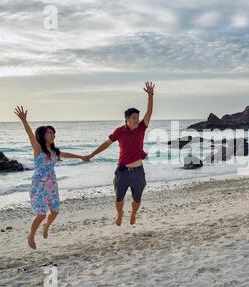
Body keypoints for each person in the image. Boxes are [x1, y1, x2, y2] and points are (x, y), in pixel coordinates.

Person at [14, 106, 89, 250]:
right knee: (41, 213)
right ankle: (31, 235)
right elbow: (30, 135)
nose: (53, 135)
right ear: (42, 135)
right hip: (39, 184)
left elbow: (66, 154)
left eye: (53, 133)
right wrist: (24, 121)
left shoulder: (54, 151)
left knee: (55, 211)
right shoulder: (38, 149)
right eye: (50, 132)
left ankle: (46, 227)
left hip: (52, 184)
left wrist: (81, 157)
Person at [86, 82, 154, 226]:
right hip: (122, 172)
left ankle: (133, 213)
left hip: (138, 171)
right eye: (134, 117)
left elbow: (149, 113)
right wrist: (91, 155)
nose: (137, 119)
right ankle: (120, 213)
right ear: (127, 119)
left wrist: (150, 95)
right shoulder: (119, 131)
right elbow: (106, 143)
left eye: (138, 117)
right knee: (118, 199)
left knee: (137, 199)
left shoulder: (141, 128)